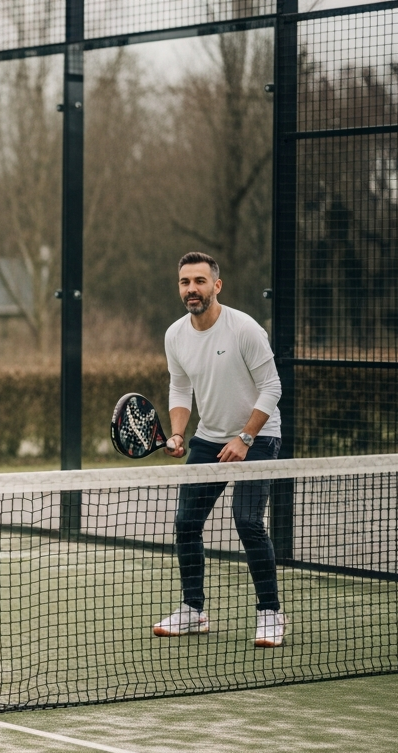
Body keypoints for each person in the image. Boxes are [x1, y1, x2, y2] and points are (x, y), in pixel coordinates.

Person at [154, 251, 286, 648]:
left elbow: (272, 388)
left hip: (259, 437)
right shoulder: (175, 335)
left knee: (247, 521)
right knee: (186, 523)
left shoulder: (244, 329)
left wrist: (244, 438)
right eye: (185, 282)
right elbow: (180, 388)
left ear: (217, 285)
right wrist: (179, 434)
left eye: (199, 281)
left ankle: (270, 613)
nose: (191, 289)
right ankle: (193, 610)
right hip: (208, 438)